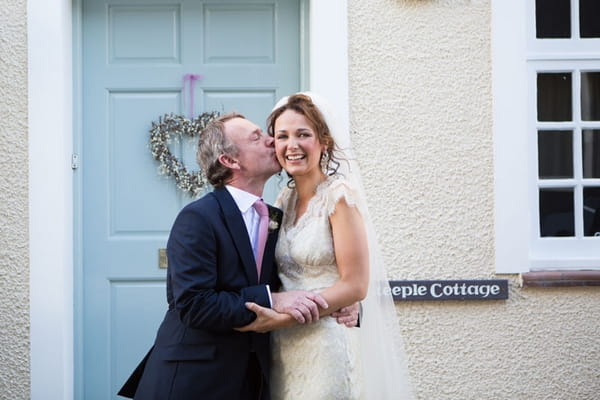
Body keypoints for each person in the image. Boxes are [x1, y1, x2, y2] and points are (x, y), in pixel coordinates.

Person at [118, 112, 357, 400]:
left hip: (253, 379)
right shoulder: (197, 218)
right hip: (192, 380)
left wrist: (340, 304)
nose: (273, 140)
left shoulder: (276, 216)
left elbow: (292, 278)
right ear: (230, 161)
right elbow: (195, 304)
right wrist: (272, 300)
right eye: (257, 137)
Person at [236, 93, 414, 399]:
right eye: (282, 136)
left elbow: (356, 285)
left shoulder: (339, 197)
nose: (292, 145)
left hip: (325, 342)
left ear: (324, 142)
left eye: (303, 134)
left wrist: (282, 318)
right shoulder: (283, 202)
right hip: (285, 346)